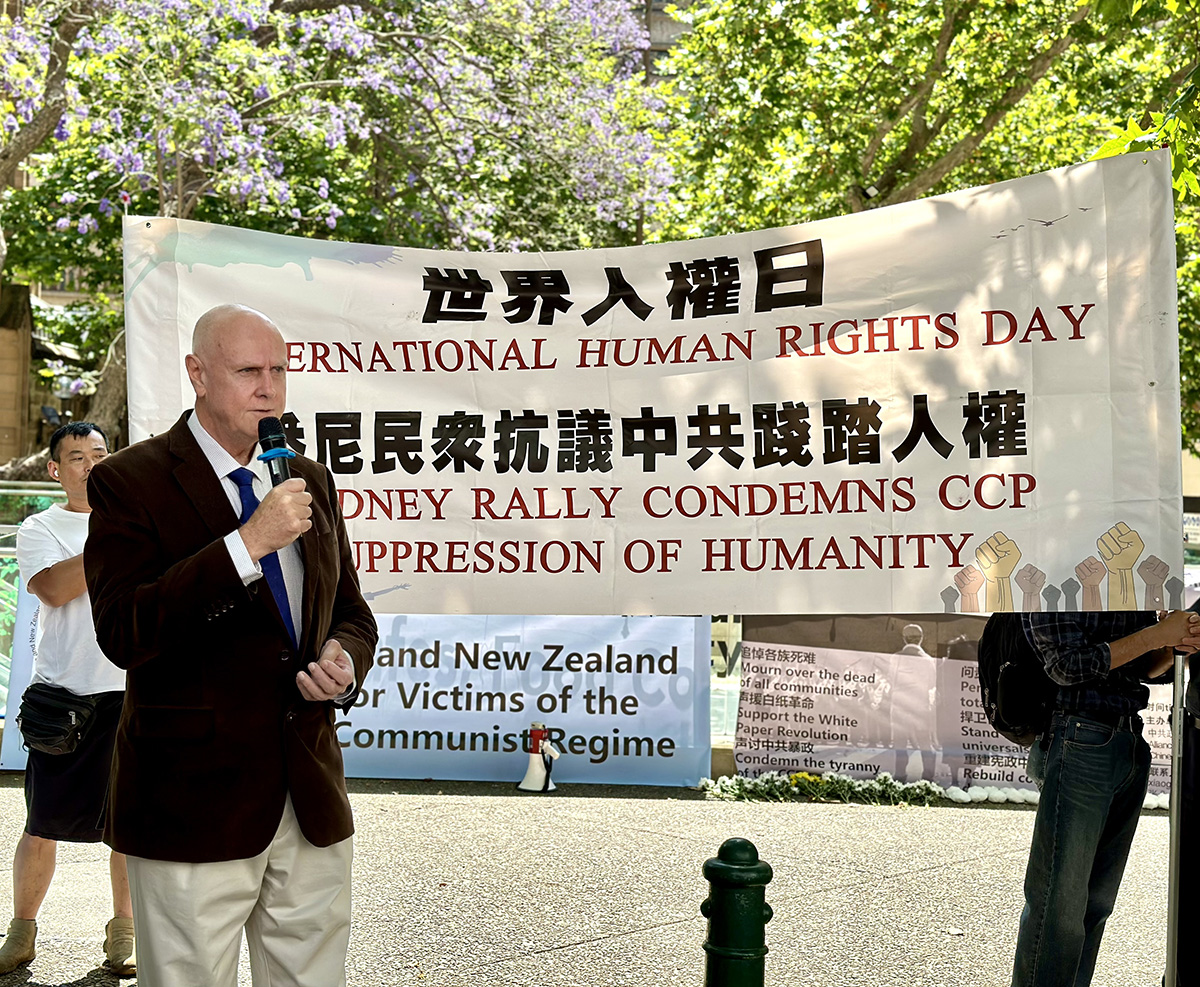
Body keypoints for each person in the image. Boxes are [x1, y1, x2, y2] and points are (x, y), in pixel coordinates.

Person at [83, 304, 377, 987]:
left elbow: (351, 612)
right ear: (198, 374)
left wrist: (343, 659)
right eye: (248, 371)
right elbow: (124, 630)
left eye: (278, 370)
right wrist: (245, 545)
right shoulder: (130, 480)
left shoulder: (307, 477)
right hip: (189, 800)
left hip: (308, 795)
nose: (268, 388)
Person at [0, 423, 133, 976]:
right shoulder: (41, 526)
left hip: (131, 692)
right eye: (77, 457)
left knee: (128, 825)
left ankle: (124, 934)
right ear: (55, 470)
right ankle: (21, 933)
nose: (91, 464)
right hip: (66, 700)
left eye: (100, 454)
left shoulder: (137, 520)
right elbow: (54, 589)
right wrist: (116, 538)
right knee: (42, 823)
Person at [1010, 609, 1200, 987]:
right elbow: (1067, 665)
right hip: (1078, 735)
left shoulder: (1128, 587)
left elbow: (1142, 669)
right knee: (1059, 905)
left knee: (1095, 904)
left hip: (1127, 739)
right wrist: (1157, 634)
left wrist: (1170, 645)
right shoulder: (1052, 584)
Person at [890, 622, 939, 782]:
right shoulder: (928, 660)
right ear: (921, 638)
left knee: (900, 745)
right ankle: (927, 778)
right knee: (925, 744)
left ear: (904, 638)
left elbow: (891, 681)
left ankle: (900, 776)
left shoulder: (895, 658)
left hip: (900, 707)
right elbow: (931, 684)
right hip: (920, 708)